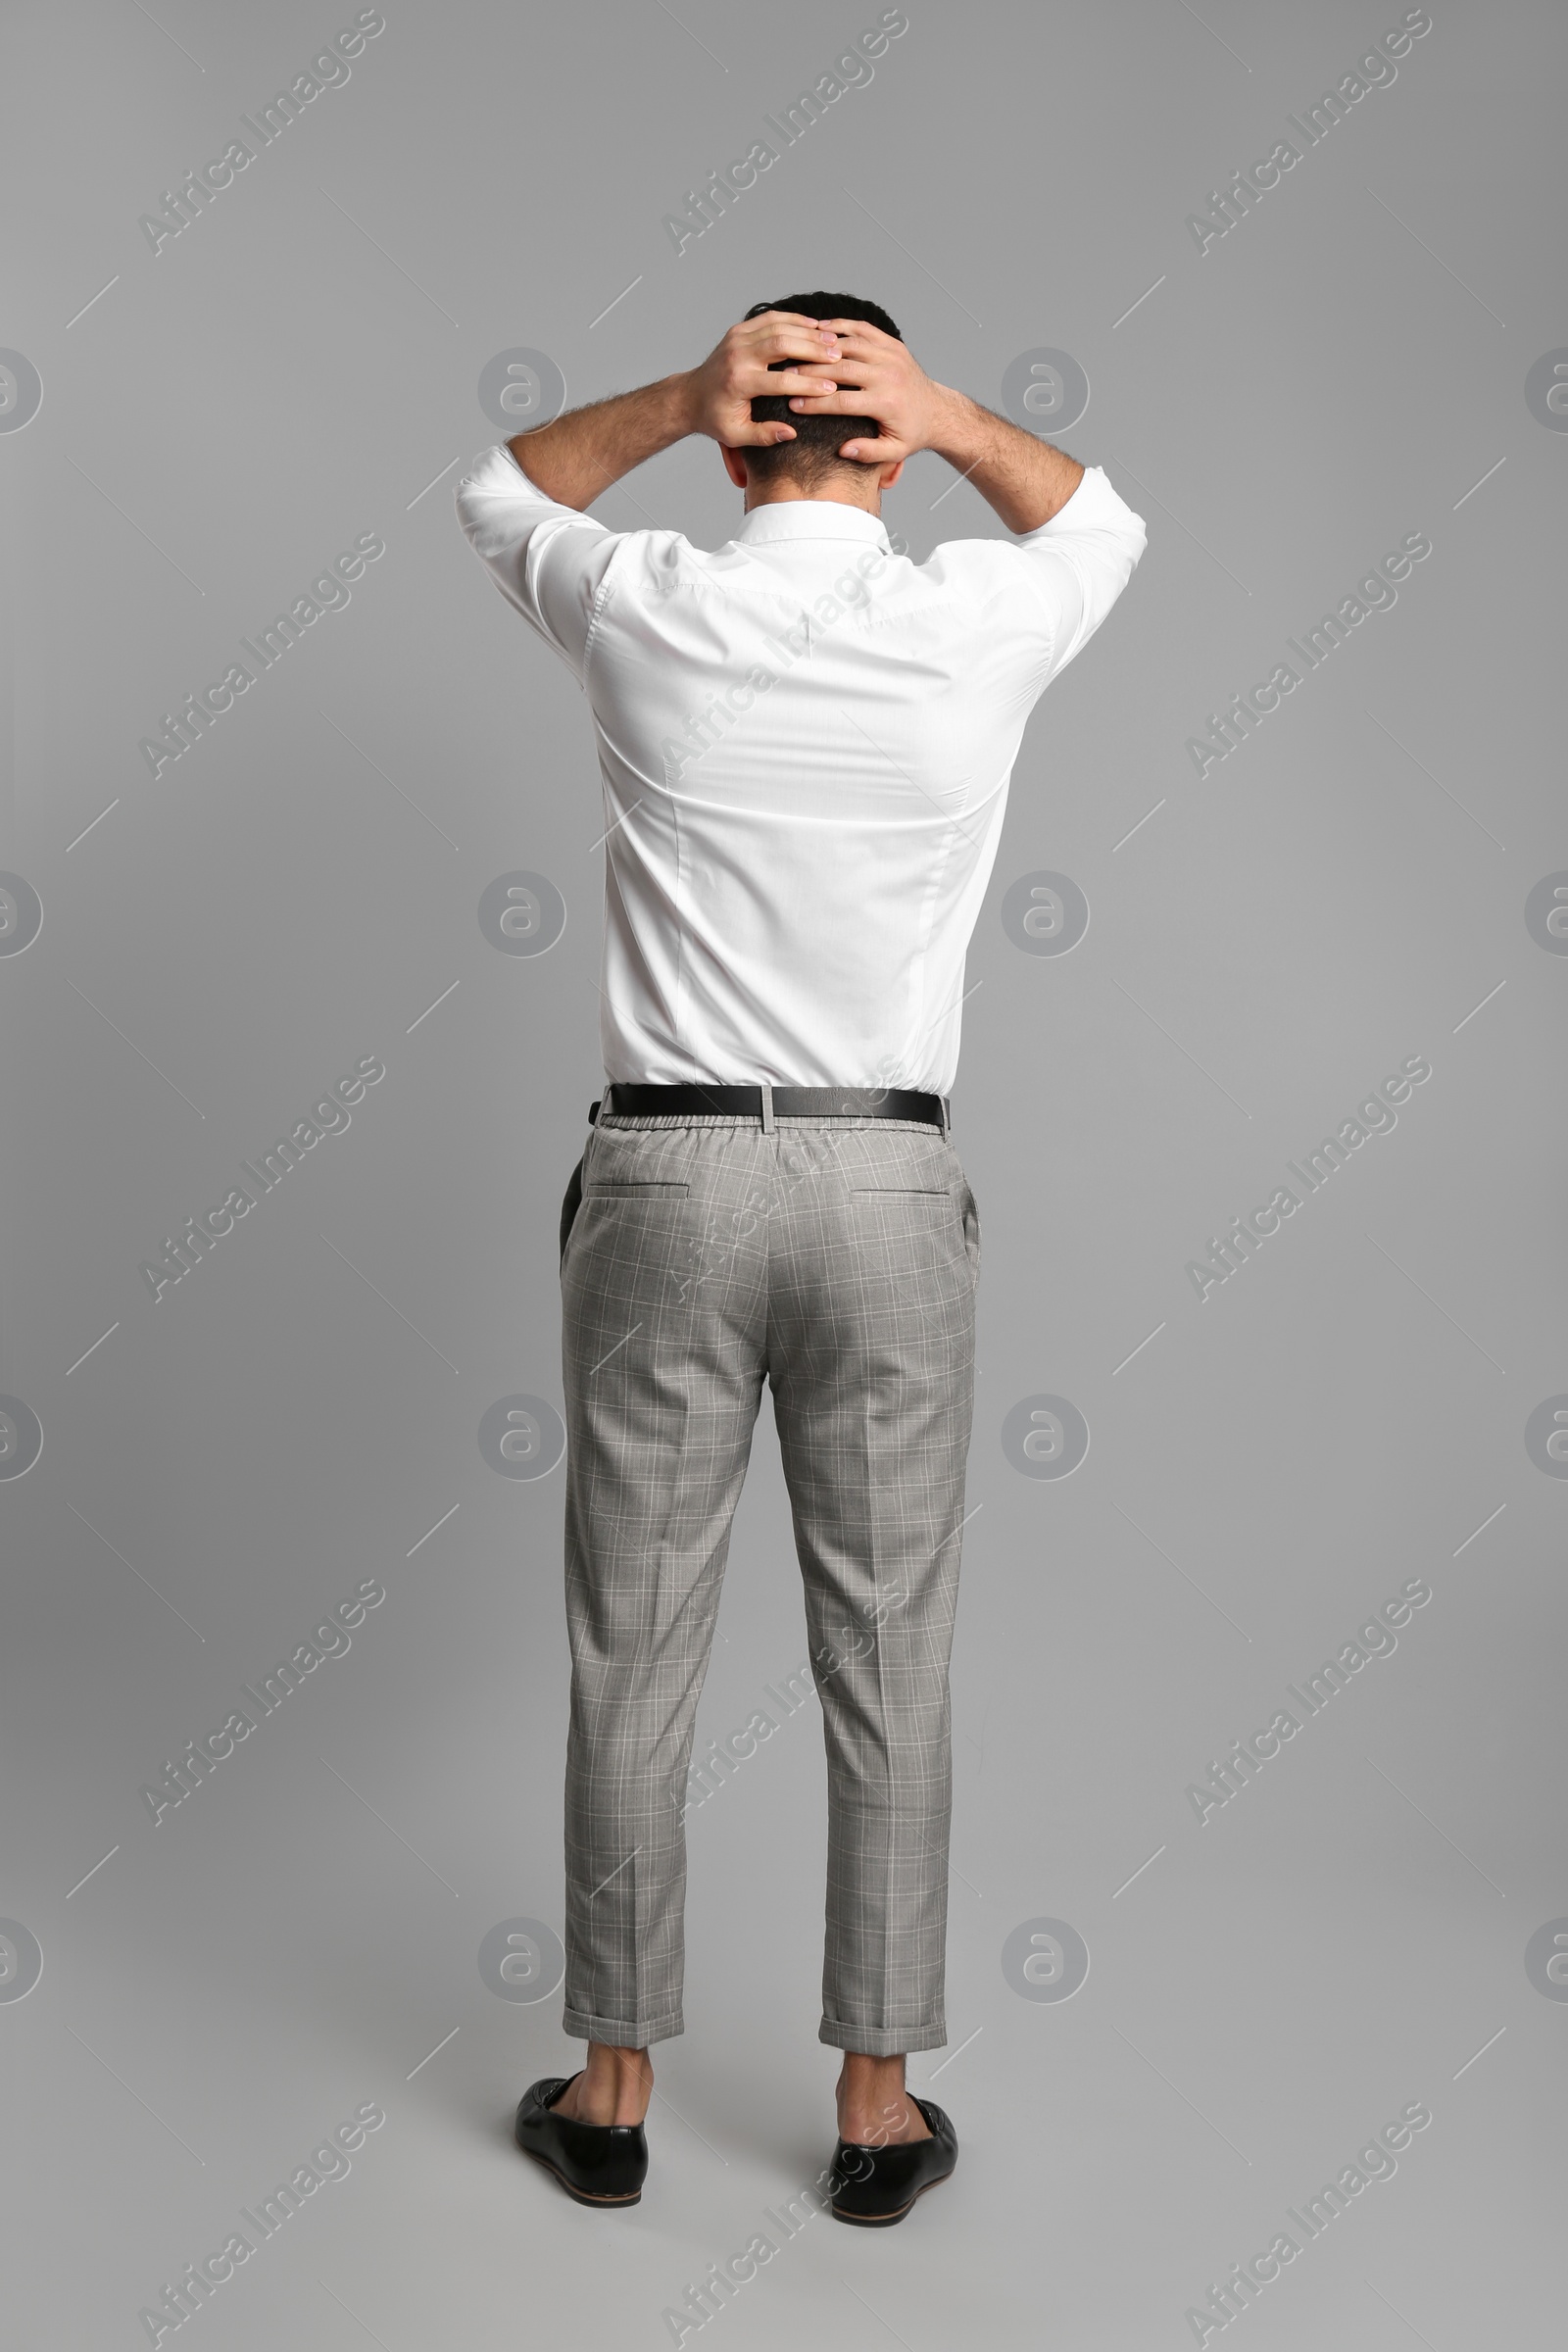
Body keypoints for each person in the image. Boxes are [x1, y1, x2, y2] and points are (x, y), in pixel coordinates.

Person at [455, 294, 1146, 2224]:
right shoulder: (971, 617)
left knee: (633, 1647)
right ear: (891, 446)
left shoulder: (652, 596)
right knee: (889, 1654)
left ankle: (606, 2092)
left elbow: (494, 491)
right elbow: (1102, 523)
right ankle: (868, 2109)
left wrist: (679, 399)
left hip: (669, 1174)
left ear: (739, 445)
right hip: (881, 1183)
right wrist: (939, 410)